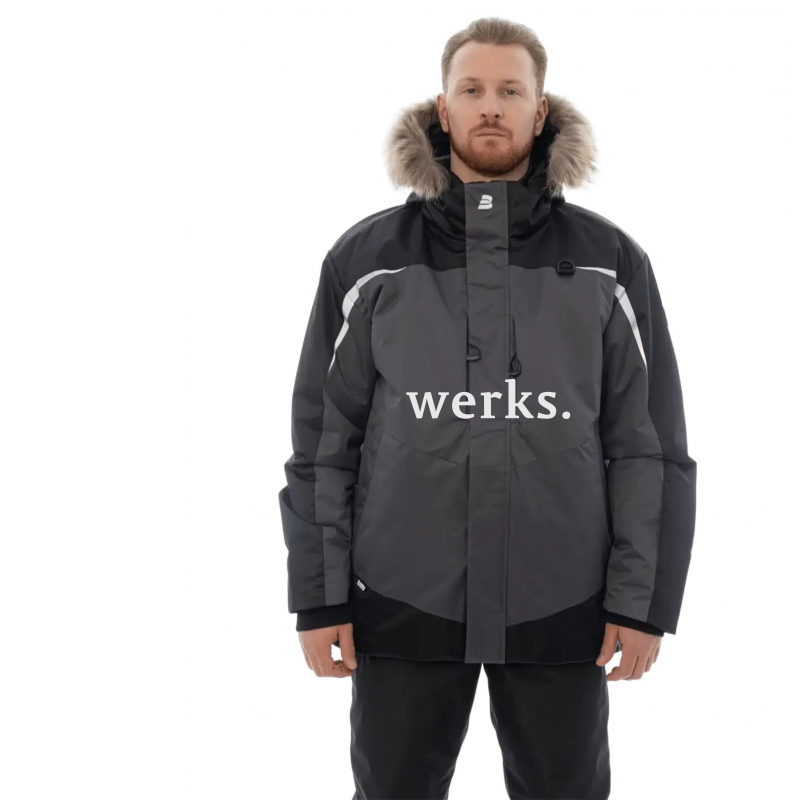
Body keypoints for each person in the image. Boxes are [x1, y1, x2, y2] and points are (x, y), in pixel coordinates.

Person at [278, 16, 697, 800]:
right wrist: (319, 596)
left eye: (511, 90)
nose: (492, 106)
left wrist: (642, 605)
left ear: (542, 110)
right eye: (472, 90)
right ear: (443, 109)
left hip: (562, 604)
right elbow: (324, 444)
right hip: (400, 600)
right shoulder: (368, 262)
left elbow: (647, 446)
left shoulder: (608, 262)